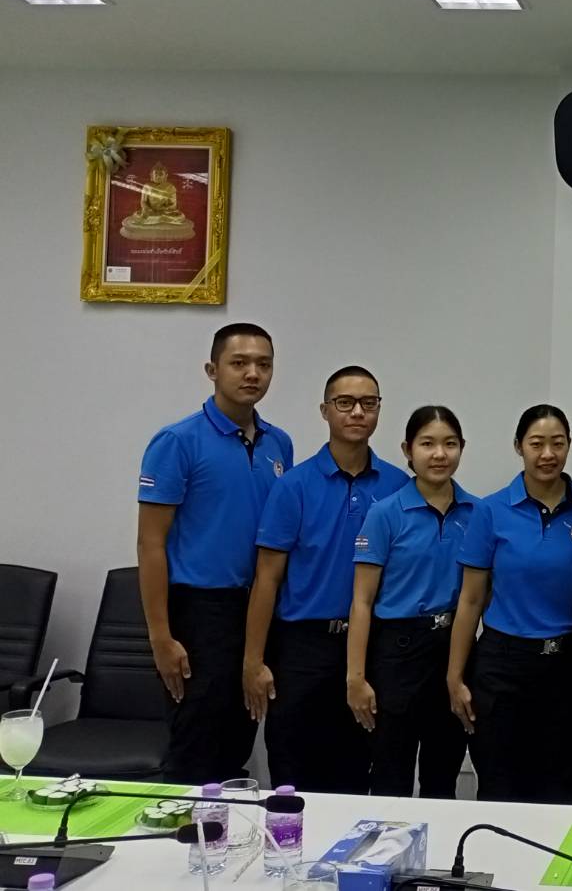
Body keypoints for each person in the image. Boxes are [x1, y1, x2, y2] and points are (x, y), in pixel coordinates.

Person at [137, 322, 292, 784]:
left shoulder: (279, 443)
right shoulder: (177, 441)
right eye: (239, 363)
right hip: (199, 612)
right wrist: (160, 637)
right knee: (195, 749)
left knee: (237, 741)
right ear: (212, 369)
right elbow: (150, 544)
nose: (252, 374)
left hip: (259, 608)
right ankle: (185, 830)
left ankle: (226, 830)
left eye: (263, 364)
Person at [244, 366, 408, 794]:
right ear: (325, 410)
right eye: (345, 403)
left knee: (356, 770)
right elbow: (267, 578)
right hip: (302, 648)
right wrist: (254, 660)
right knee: (293, 772)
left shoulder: (398, 486)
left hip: (370, 646)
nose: (357, 412)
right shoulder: (293, 486)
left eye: (368, 403)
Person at [448, 405, 572, 803]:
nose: (548, 454)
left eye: (557, 444)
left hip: (567, 668)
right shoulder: (490, 510)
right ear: (519, 447)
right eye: (536, 444)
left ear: (569, 446)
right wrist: (455, 677)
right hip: (503, 668)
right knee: (500, 788)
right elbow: (470, 599)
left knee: (559, 791)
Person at [347, 406, 473, 798]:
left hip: (453, 650)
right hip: (397, 653)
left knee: (443, 774)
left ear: (462, 448)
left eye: (449, 444)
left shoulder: (477, 512)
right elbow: (362, 600)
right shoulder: (385, 513)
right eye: (427, 444)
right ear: (408, 450)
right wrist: (356, 678)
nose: (439, 454)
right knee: (391, 774)